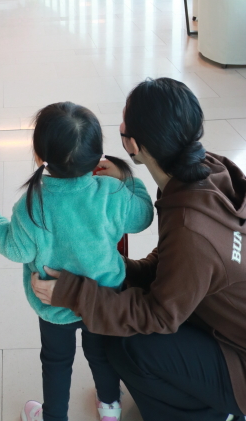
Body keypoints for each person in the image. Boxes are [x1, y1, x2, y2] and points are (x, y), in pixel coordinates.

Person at [31, 78, 246, 421]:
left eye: (123, 122)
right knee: (123, 310)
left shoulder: (191, 225)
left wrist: (74, 292)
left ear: (132, 144)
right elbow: (176, 263)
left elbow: (159, 314)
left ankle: (210, 414)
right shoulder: (205, 170)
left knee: (126, 343)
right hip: (226, 323)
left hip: (239, 367)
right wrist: (118, 269)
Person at [0, 101, 154, 421]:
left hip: (53, 303)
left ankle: (54, 417)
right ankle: (109, 406)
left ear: (40, 157)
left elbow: (17, 248)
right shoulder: (111, 192)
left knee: (55, 361)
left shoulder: (32, 203)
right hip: (104, 298)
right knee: (102, 355)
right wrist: (126, 177)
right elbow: (144, 216)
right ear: (97, 156)